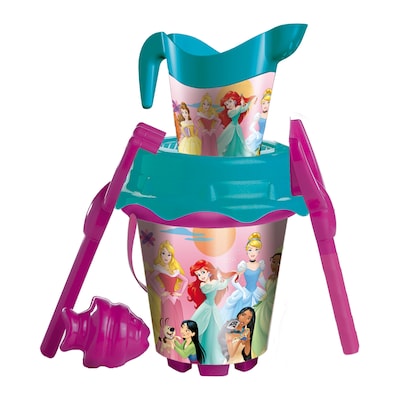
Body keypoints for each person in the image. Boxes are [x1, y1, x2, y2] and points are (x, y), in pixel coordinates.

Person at [187, 259, 236, 364]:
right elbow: (210, 288)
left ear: (208, 271)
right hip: (206, 308)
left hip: (212, 308)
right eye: (198, 274)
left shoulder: (214, 282)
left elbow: (222, 285)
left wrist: (230, 276)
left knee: (214, 331)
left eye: (203, 272)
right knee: (202, 330)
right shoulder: (203, 285)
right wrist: (219, 280)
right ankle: (200, 354)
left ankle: (214, 356)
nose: (201, 276)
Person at [220, 232, 266, 322]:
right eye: (250, 250)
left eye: (256, 250)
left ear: (259, 251)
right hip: (246, 292)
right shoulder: (244, 265)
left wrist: (269, 288)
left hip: (256, 293)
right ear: (247, 251)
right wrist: (242, 291)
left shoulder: (260, 265)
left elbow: (262, 280)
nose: (252, 253)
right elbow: (234, 280)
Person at [251, 252, 281, 357]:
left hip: (267, 306)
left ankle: (255, 349)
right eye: (273, 261)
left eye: (278, 262)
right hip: (264, 305)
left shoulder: (275, 278)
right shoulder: (272, 277)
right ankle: (253, 350)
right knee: (255, 325)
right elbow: (266, 286)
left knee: (259, 327)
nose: (275, 265)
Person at [217, 90, 256, 156]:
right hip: (231, 127)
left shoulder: (238, 108)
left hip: (237, 127)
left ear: (234, 101)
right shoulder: (229, 112)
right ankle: (229, 153)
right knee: (229, 140)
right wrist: (241, 106)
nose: (229, 105)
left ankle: (238, 153)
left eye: (230, 101)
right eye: (227, 104)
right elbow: (234, 113)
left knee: (239, 140)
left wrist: (249, 101)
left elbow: (244, 108)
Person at [246, 88, 272, 153]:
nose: (265, 105)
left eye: (268, 103)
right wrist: (256, 134)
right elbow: (251, 127)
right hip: (259, 137)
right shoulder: (259, 115)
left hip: (269, 138)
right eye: (263, 103)